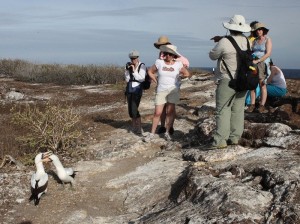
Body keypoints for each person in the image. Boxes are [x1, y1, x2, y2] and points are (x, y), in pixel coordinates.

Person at [208, 14, 251, 149]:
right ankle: (235, 138)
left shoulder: (225, 41)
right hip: (243, 80)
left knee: (222, 110)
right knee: (238, 110)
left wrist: (219, 42)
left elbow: (212, 55)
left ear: (230, 27)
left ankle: (220, 140)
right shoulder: (247, 41)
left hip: (227, 79)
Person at [143, 44, 190, 142]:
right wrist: (155, 80)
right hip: (161, 90)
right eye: (166, 53)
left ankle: (168, 132)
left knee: (170, 112)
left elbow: (187, 74)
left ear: (174, 55)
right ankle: (152, 134)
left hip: (173, 90)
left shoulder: (178, 64)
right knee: (157, 112)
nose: (167, 56)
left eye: (170, 54)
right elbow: (150, 71)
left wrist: (180, 78)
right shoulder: (159, 62)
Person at [153, 35, 190, 135]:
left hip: (173, 84)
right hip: (163, 84)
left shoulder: (170, 52)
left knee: (170, 107)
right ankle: (163, 126)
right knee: (164, 107)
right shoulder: (163, 53)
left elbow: (185, 62)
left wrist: (176, 66)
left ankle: (169, 126)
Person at [246, 22, 272, 113]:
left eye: (260, 29)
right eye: (257, 30)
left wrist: (258, 60)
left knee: (262, 84)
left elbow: (268, 53)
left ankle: (262, 105)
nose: (258, 31)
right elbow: (250, 51)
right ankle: (252, 105)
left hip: (262, 63)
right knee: (252, 85)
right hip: (253, 63)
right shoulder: (254, 41)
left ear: (263, 30)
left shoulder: (267, 40)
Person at [124, 50, 146, 135]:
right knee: (130, 109)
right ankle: (133, 126)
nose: (133, 60)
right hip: (129, 89)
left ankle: (139, 128)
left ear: (137, 58)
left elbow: (141, 78)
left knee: (134, 108)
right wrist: (126, 71)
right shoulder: (129, 66)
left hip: (137, 89)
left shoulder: (142, 66)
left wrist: (134, 71)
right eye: (131, 58)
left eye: (134, 58)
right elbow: (127, 79)